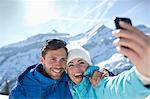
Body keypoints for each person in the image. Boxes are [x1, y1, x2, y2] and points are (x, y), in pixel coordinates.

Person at [66, 21, 150, 99]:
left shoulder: (98, 84)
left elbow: (118, 89)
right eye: (70, 64)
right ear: (67, 71)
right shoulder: (69, 90)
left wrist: (142, 76)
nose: (76, 68)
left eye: (81, 62)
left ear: (89, 65)